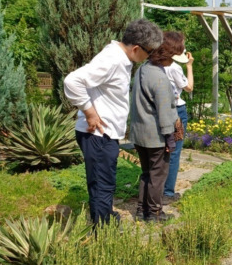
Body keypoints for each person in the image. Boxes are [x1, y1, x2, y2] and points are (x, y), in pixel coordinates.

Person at [64, 19, 163, 225]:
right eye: (149, 52)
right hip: (97, 133)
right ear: (136, 48)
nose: (150, 57)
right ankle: (103, 231)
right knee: (103, 184)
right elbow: (72, 81)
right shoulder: (113, 60)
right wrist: (90, 112)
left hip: (103, 134)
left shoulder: (120, 58)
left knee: (102, 180)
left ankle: (105, 216)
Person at [130, 33, 183, 222]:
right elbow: (163, 110)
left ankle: (141, 210)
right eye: (173, 55)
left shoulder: (142, 69)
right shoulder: (159, 77)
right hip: (155, 136)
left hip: (139, 133)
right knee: (158, 175)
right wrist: (170, 137)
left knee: (146, 172)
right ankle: (154, 213)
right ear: (164, 54)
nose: (174, 60)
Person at [162, 32, 194, 203]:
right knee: (174, 150)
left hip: (160, 110)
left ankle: (156, 189)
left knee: (159, 151)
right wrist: (189, 66)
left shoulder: (153, 65)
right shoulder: (174, 67)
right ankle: (168, 192)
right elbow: (188, 87)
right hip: (177, 112)